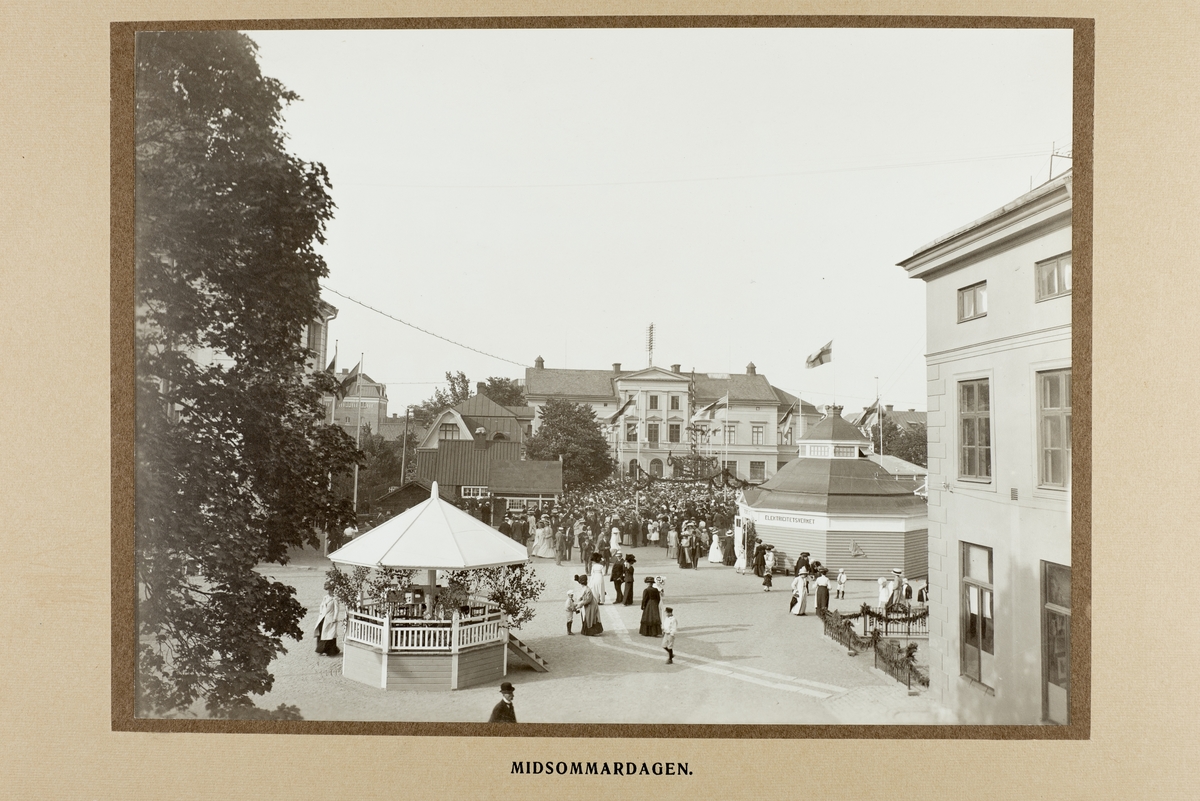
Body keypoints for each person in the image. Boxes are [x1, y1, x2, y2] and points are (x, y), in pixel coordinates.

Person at [314, 585, 342, 656]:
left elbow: (337, 609)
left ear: (333, 590)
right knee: (322, 633)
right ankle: (321, 650)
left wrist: (335, 618)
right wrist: (321, 613)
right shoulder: (325, 598)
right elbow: (321, 606)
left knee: (329, 634)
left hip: (330, 618)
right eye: (328, 590)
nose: (329, 592)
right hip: (323, 618)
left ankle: (330, 651)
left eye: (330, 590)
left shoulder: (334, 599)